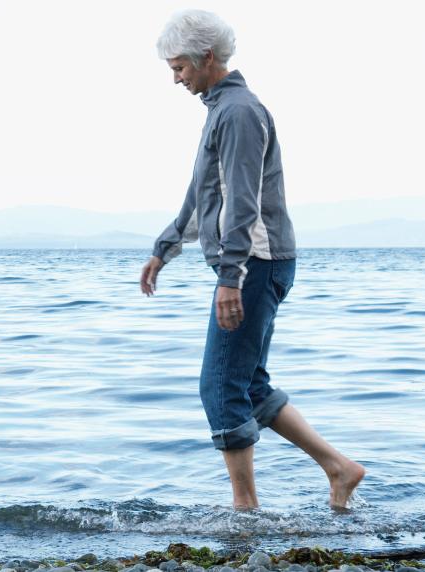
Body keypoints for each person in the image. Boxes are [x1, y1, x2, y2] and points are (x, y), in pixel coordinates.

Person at [139, 9, 365, 509]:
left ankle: (245, 509)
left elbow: (242, 202)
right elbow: (206, 197)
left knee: (219, 386)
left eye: (179, 67)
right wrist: (165, 250)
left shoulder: (239, 111)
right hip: (256, 264)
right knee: (248, 382)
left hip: (255, 264)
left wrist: (229, 278)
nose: (176, 79)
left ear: (207, 58)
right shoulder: (222, 109)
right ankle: (339, 469)